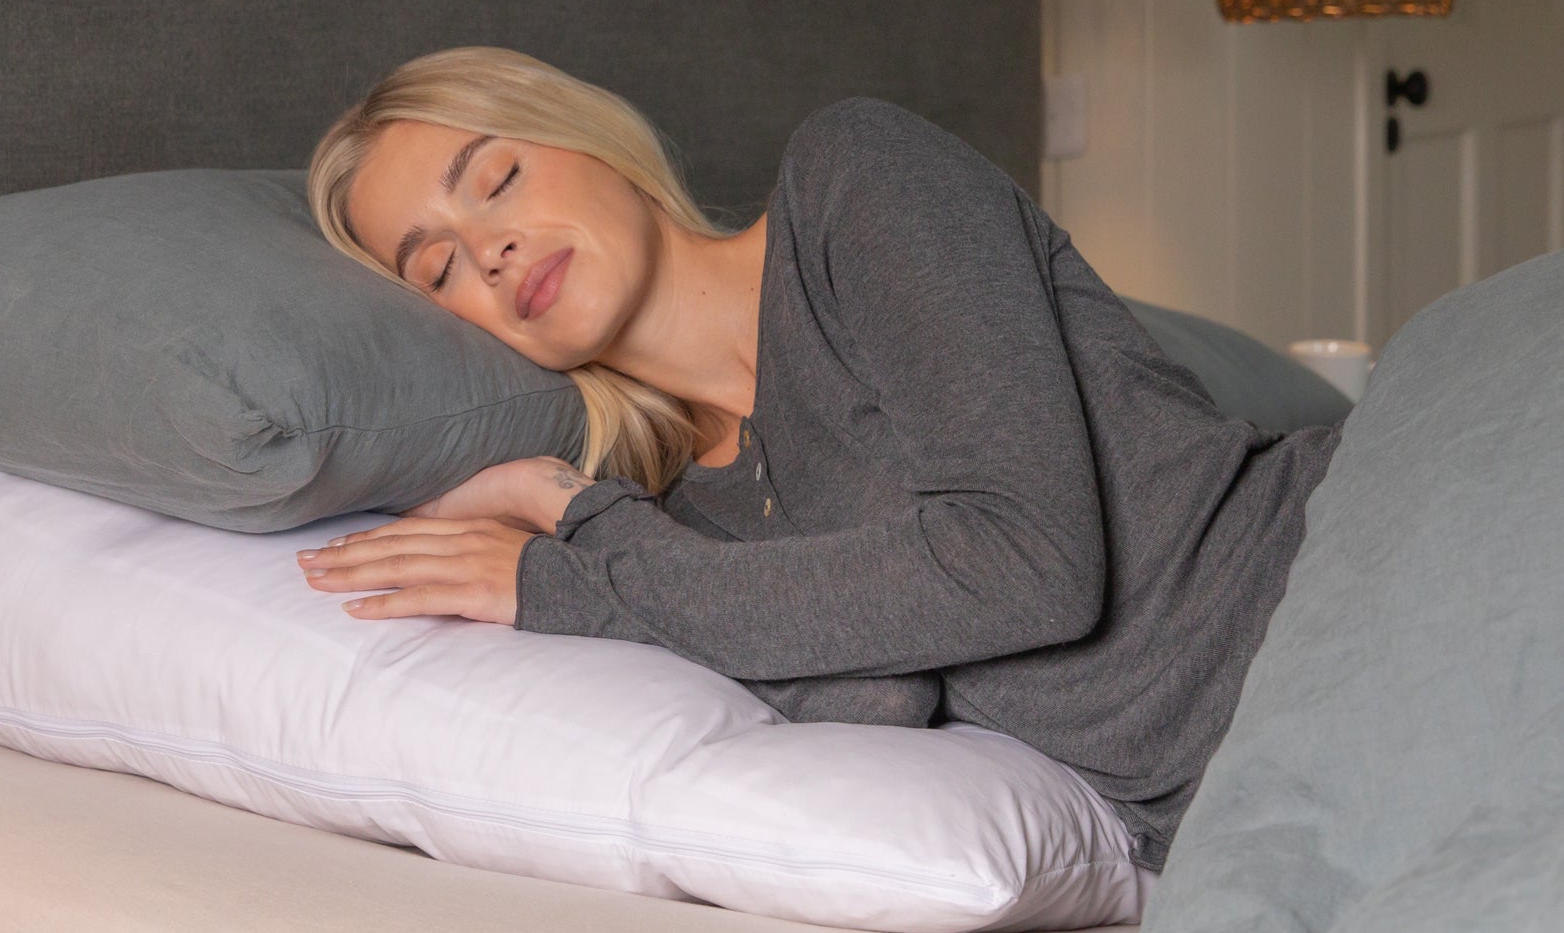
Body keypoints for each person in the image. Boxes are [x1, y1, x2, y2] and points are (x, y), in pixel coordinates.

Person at [297, 46, 1341, 870]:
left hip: (1351, 572)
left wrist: (570, 543)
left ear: (589, 136)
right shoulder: (683, 526)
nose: (489, 249)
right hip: (1247, 795)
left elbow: (1031, 566)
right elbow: (876, 709)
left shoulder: (852, 182)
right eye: (438, 268)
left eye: (498, 177)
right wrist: (593, 520)